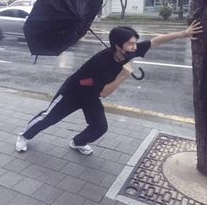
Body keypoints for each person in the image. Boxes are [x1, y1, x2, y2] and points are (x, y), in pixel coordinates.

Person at [16, 20, 203, 155]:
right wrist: (122, 76)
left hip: (90, 97)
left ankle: (77, 142)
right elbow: (105, 93)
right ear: (118, 46)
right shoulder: (101, 62)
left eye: (134, 42)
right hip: (72, 93)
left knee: (100, 127)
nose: (134, 46)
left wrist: (183, 34)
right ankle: (24, 136)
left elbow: (155, 41)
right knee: (49, 118)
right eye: (130, 43)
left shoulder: (129, 51)